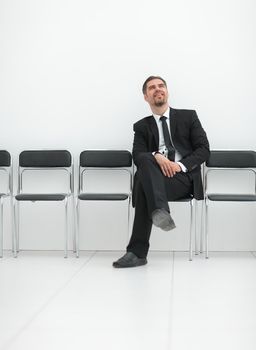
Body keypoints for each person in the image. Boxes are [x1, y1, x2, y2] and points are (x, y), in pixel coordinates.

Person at [113, 76, 210, 268]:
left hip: (182, 179)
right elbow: (137, 155)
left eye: (161, 86)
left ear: (166, 91)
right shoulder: (141, 126)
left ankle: (136, 252)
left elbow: (203, 149)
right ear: (145, 97)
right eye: (151, 88)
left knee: (142, 183)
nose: (157, 89)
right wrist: (157, 155)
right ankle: (160, 210)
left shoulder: (188, 116)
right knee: (146, 161)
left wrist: (179, 166)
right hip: (155, 178)